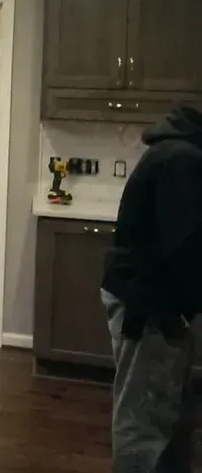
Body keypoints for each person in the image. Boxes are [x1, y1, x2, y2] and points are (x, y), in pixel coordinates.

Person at [102, 103, 202, 472]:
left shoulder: (179, 152)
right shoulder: (183, 161)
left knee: (171, 413)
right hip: (148, 307)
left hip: (152, 301)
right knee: (144, 423)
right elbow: (186, 249)